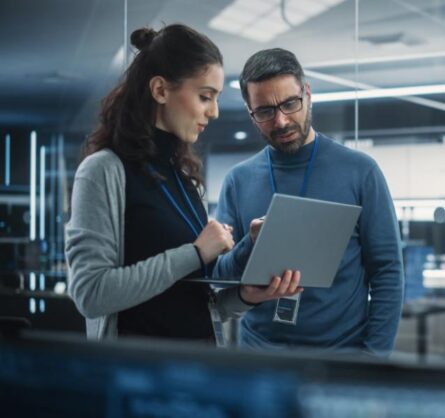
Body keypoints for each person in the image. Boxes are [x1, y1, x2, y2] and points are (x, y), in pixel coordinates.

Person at [65, 25, 301, 343]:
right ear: (161, 90)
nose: (214, 112)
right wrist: (194, 253)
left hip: (194, 371)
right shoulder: (103, 171)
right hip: (134, 378)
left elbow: (197, 304)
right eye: (205, 96)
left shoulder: (184, 179)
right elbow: (90, 294)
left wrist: (246, 295)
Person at [214, 48, 404, 356]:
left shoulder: (360, 171)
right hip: (260, 358)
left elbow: (387, 271)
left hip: (341, 358)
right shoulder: (239, 180)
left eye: (290, 103)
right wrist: (251, 244)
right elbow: (221, 276)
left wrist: (374, 358)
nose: (281, 121)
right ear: (250, 113)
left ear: (308, 94)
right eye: (264, 111)